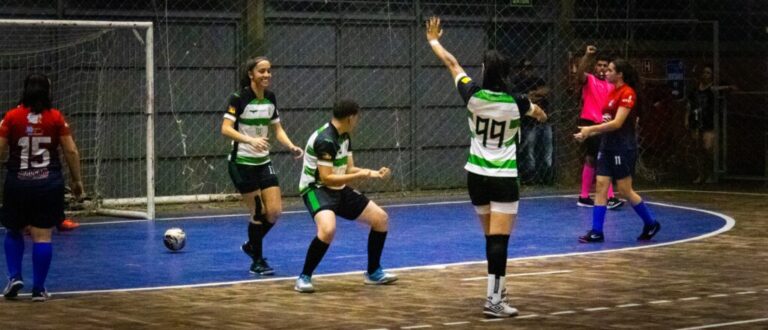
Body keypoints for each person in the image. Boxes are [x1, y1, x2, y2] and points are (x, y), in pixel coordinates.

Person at [426, 16, 547, 318]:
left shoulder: (472, 95)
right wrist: (539, 115)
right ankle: (494, 300)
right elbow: (539, 113)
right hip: (503, 178)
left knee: (491, 240)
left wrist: (433, 41)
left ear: (484, 70)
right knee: (499, 241)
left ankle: (497, 293)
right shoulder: (517, 102)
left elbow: (453, 65)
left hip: (476, 177)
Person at [294, 99, 397, 293]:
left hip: (338, 187)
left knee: (380, 218)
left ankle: (373, 273)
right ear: (350, 117)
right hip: (316, 189)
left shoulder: (344, 136)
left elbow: (348, 169)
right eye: (357, 117)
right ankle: (304, 277)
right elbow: (325, 178)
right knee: (327, 229)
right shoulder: (326, 140)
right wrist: (359, 175)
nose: (358, 121)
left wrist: (373, 173)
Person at [1, 73, 84, 302]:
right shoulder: (56, 118)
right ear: (48, 92)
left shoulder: (11, 117)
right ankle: (39, 289)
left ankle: (15, 276)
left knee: (13, 230)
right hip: (48, 185)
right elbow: (71, 151)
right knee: (43, 236)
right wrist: (77, 182)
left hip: (17, 183)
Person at [221, 56, 303, 275]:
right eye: (262, 71)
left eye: (269, 71)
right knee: (259, 211)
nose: (267, 75)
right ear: (251, 74)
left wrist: (291, 146)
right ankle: (257, 261)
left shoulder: (270, 98)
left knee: (274, 212)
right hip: (242, 163)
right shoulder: (238, 98)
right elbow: (226, 129)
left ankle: (251, 245)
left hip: (263, 161)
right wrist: (250, 140)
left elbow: (277, 129)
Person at [574, 59, 661, 243]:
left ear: (620, 74)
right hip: (607, 145)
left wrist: (590, 130)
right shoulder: (612, 91)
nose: (606, 72)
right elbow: (607, 120)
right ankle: (597, 231)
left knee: (624, 190)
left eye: (611, 69)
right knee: (601, 186)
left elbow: (617, 123)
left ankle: (651, 222)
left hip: (622, 146)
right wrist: (588, 134)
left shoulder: (627, 93)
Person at [575, 45, 624, 209]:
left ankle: (583, 196)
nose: (602, 69)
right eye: (599, 65)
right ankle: (609, 197)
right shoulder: (589, 79)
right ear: (595, 66)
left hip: (605, 124)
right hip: (590, 123)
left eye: (605, 66)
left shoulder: (612, 85)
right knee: (603, 158)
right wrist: (587, 56)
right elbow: (579, 73)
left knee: (591, 158)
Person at [685, 65, 737, 184]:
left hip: (709, 121)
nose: (705, 75)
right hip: (696, 120)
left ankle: (712, 173)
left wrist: (730, 87)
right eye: (704, 72)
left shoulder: (712, 89)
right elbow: (689, 105)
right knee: (698, 149)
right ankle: (701, 174)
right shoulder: (695, 90)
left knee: (709, 148)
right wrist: (686, 119)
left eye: (708, 73)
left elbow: (723, 89)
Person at [515, 59, 553, 184]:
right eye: (525, 68)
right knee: (529, 151)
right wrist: (532, 96)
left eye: (530, 68)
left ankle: (546, 177)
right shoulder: (517, 82)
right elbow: (525, 99)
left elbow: (546, 91)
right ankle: (530, 178)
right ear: (520, 70)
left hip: (543, 121)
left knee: (547, 150)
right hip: (528, 122)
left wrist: (533, 94)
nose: (528, 71)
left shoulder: (538, 79)